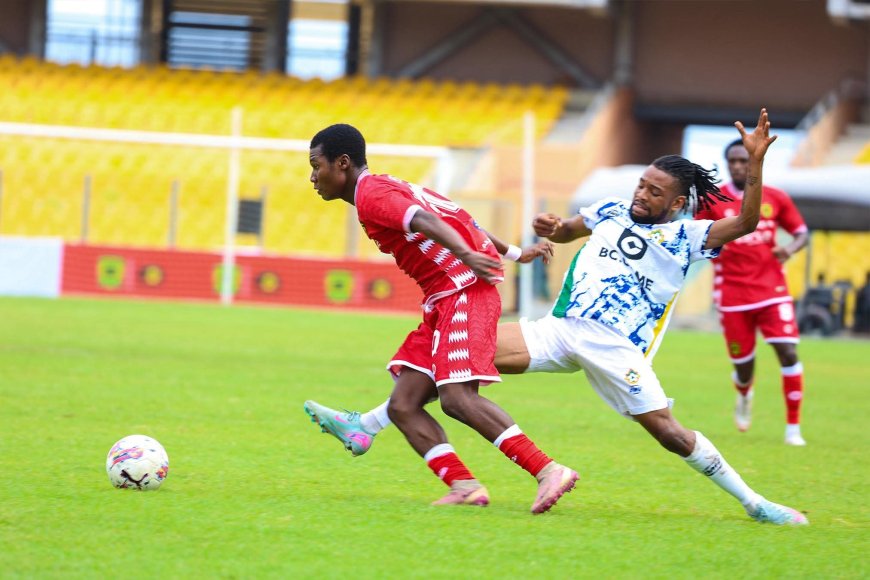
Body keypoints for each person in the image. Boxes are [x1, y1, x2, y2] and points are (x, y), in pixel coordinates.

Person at [305, 110, 808, 525]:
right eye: (641, 184)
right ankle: (368, 424)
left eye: (655, 193)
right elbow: (569, 230)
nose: (642, 195)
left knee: (670, 433)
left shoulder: (689, 236)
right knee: (450, 360)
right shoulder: (611, 209)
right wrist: (547, 232)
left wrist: (758, 162)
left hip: (615, 346)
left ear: (677, 203)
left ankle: (754, 502)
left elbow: (746, 221)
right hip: (559, 328)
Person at [304, 123, 578, 514]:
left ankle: (549, 470)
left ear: (342, 163)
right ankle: (463, 485)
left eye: (316, 165)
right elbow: (460, 215)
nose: (312, 176)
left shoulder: (371, 195)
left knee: (457, 397)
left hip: (464, 290)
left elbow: (431, 223)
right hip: (443, 299)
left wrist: (467, 257)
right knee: (404, 403)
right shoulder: (385, 186)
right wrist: (517, 253)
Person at [695, 138, 809, 445]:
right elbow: (692, 238)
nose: (738, 166)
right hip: (732, 294)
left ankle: (793, 428)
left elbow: (801, 232)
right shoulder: (713, 202)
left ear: (755, 163)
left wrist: (790, 249)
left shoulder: (775, 198)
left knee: (788, 352)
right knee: (744, 368)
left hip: (772, 290)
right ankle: (744, 393)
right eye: (732, 161)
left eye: (744, 160)